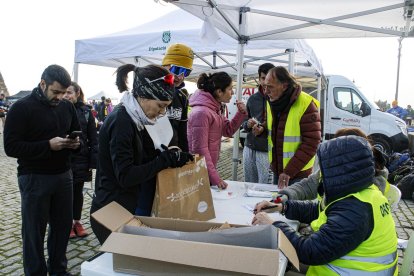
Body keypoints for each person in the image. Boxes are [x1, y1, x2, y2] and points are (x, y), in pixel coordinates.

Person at [253, 136, 398, 275]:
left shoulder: (355, 210)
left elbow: (310, 252)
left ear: (340, 170)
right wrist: (282, 207)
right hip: (340, 266)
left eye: (325, 168)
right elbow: (319, 210)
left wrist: (274, 226)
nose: (321, 174)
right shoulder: (363, 193)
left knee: (267, 267)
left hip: (338, 271)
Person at [90, 64, 193, 244]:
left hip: (123, 205)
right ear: (144, 96)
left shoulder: (136, 118)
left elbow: (144, 157)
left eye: (166, 108)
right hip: (110, 209)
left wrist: (172, 158)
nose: (162, 113)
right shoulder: (122, 122)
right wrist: (163, 160)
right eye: (160, 106)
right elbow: (126, 175)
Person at [4, 64, 80, 275]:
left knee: (62, 228)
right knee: (34, 232)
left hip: (64, 175)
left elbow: (77, 135)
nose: (60, 97)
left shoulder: (67, 107)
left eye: (64, 92)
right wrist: (47, 145)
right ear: (42, 84)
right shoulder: (21, 107)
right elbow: (10, 147)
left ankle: (58, 270)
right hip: (34, 177)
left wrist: (75, 144)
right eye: (56, 92)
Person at [277, 127, 389, 201]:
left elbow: (341, 215)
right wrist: (285, 196)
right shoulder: (338, 168)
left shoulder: (371, 184)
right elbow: (308, 185)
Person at [262, 66, 321, 189]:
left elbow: (312, 143)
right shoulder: (272, 100)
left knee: (294, 207)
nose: (266, 91)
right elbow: (275, 129)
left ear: (284, 86)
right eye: (264, 86)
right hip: (279, 172)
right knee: (277, 206)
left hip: (298, 175)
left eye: (270, 87)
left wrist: (289, 171)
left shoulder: (306, 104)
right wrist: (262, 129)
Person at [187, 72, 247, 189]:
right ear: (219, 92)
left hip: (206, 170)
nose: (233, 92)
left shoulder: (214, 108)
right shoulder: (202, 113)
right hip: (199, 171)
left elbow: (228, 131)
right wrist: (215, 178)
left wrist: (241, 113)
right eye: (230, 89)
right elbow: (200, 150)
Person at [63, 81, 98, 239]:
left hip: (81, 159)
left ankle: (77, 221)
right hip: (63, 159)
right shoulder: (57, 109)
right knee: (64, 193)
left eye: (69, 92)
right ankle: (66, 223)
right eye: (64, 92)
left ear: (77, 93)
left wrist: (93, 162)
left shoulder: (86, 112)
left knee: (78, 192)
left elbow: (93, 138)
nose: (66, 95)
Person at [242, 63, 275, 184]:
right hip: (249, 147)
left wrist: (263, 129)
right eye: (262, 78)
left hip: (267, 150)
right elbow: (244, 124)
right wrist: (248, 124)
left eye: (268, 78)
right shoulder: (252, 99)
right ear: (259, 78)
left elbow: (280, 124)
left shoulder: (278, 99)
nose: (265, 82)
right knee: (249, 185)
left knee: (264, 187)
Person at [161, 43, 194, 152]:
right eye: (177, 70)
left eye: (186, 72)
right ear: (165, 65)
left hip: (173, 155)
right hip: (151, 158)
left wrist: (185, 154)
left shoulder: (182, 96)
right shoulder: (150, 92)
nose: (180, 77)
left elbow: (182, 132)